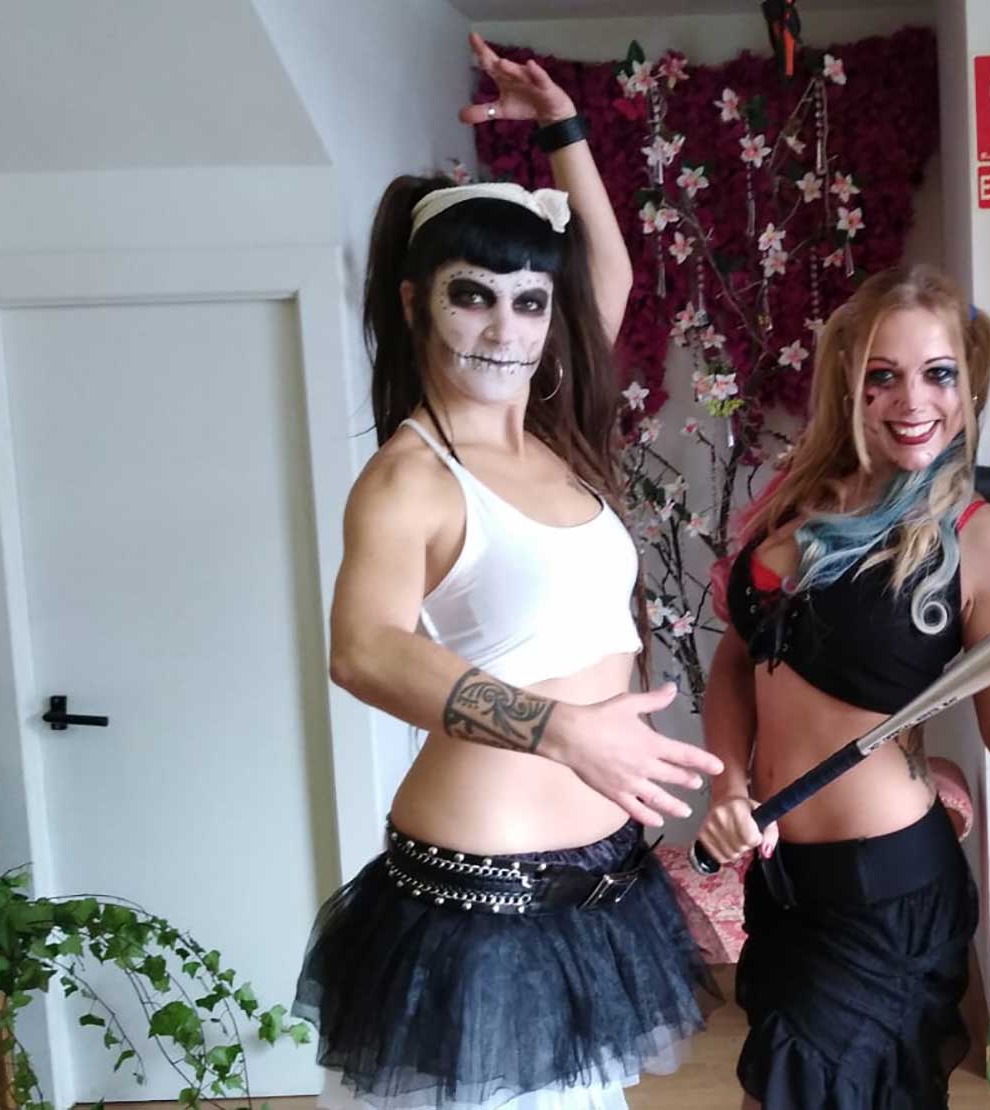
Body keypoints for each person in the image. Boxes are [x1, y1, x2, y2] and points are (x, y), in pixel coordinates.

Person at [292, 36, 723, 1109]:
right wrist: (562, 730)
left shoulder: (557, 435)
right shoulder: (409, 477)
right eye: (472, 296)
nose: (505, 328)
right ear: (412, 303)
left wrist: (562, 126)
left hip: (598, 885)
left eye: (529, 302)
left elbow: (608, 278)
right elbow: (363, 649)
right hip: (476, 901)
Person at [695, 265, 990, 1109]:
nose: (914, 401)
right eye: (884, 375)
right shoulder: (793, 504)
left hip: (886, 892)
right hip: (783, 882)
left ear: (968, 384)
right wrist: (729, 785)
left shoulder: (980, 538)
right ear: (849, 383)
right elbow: (736, 661)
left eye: (939, 373)